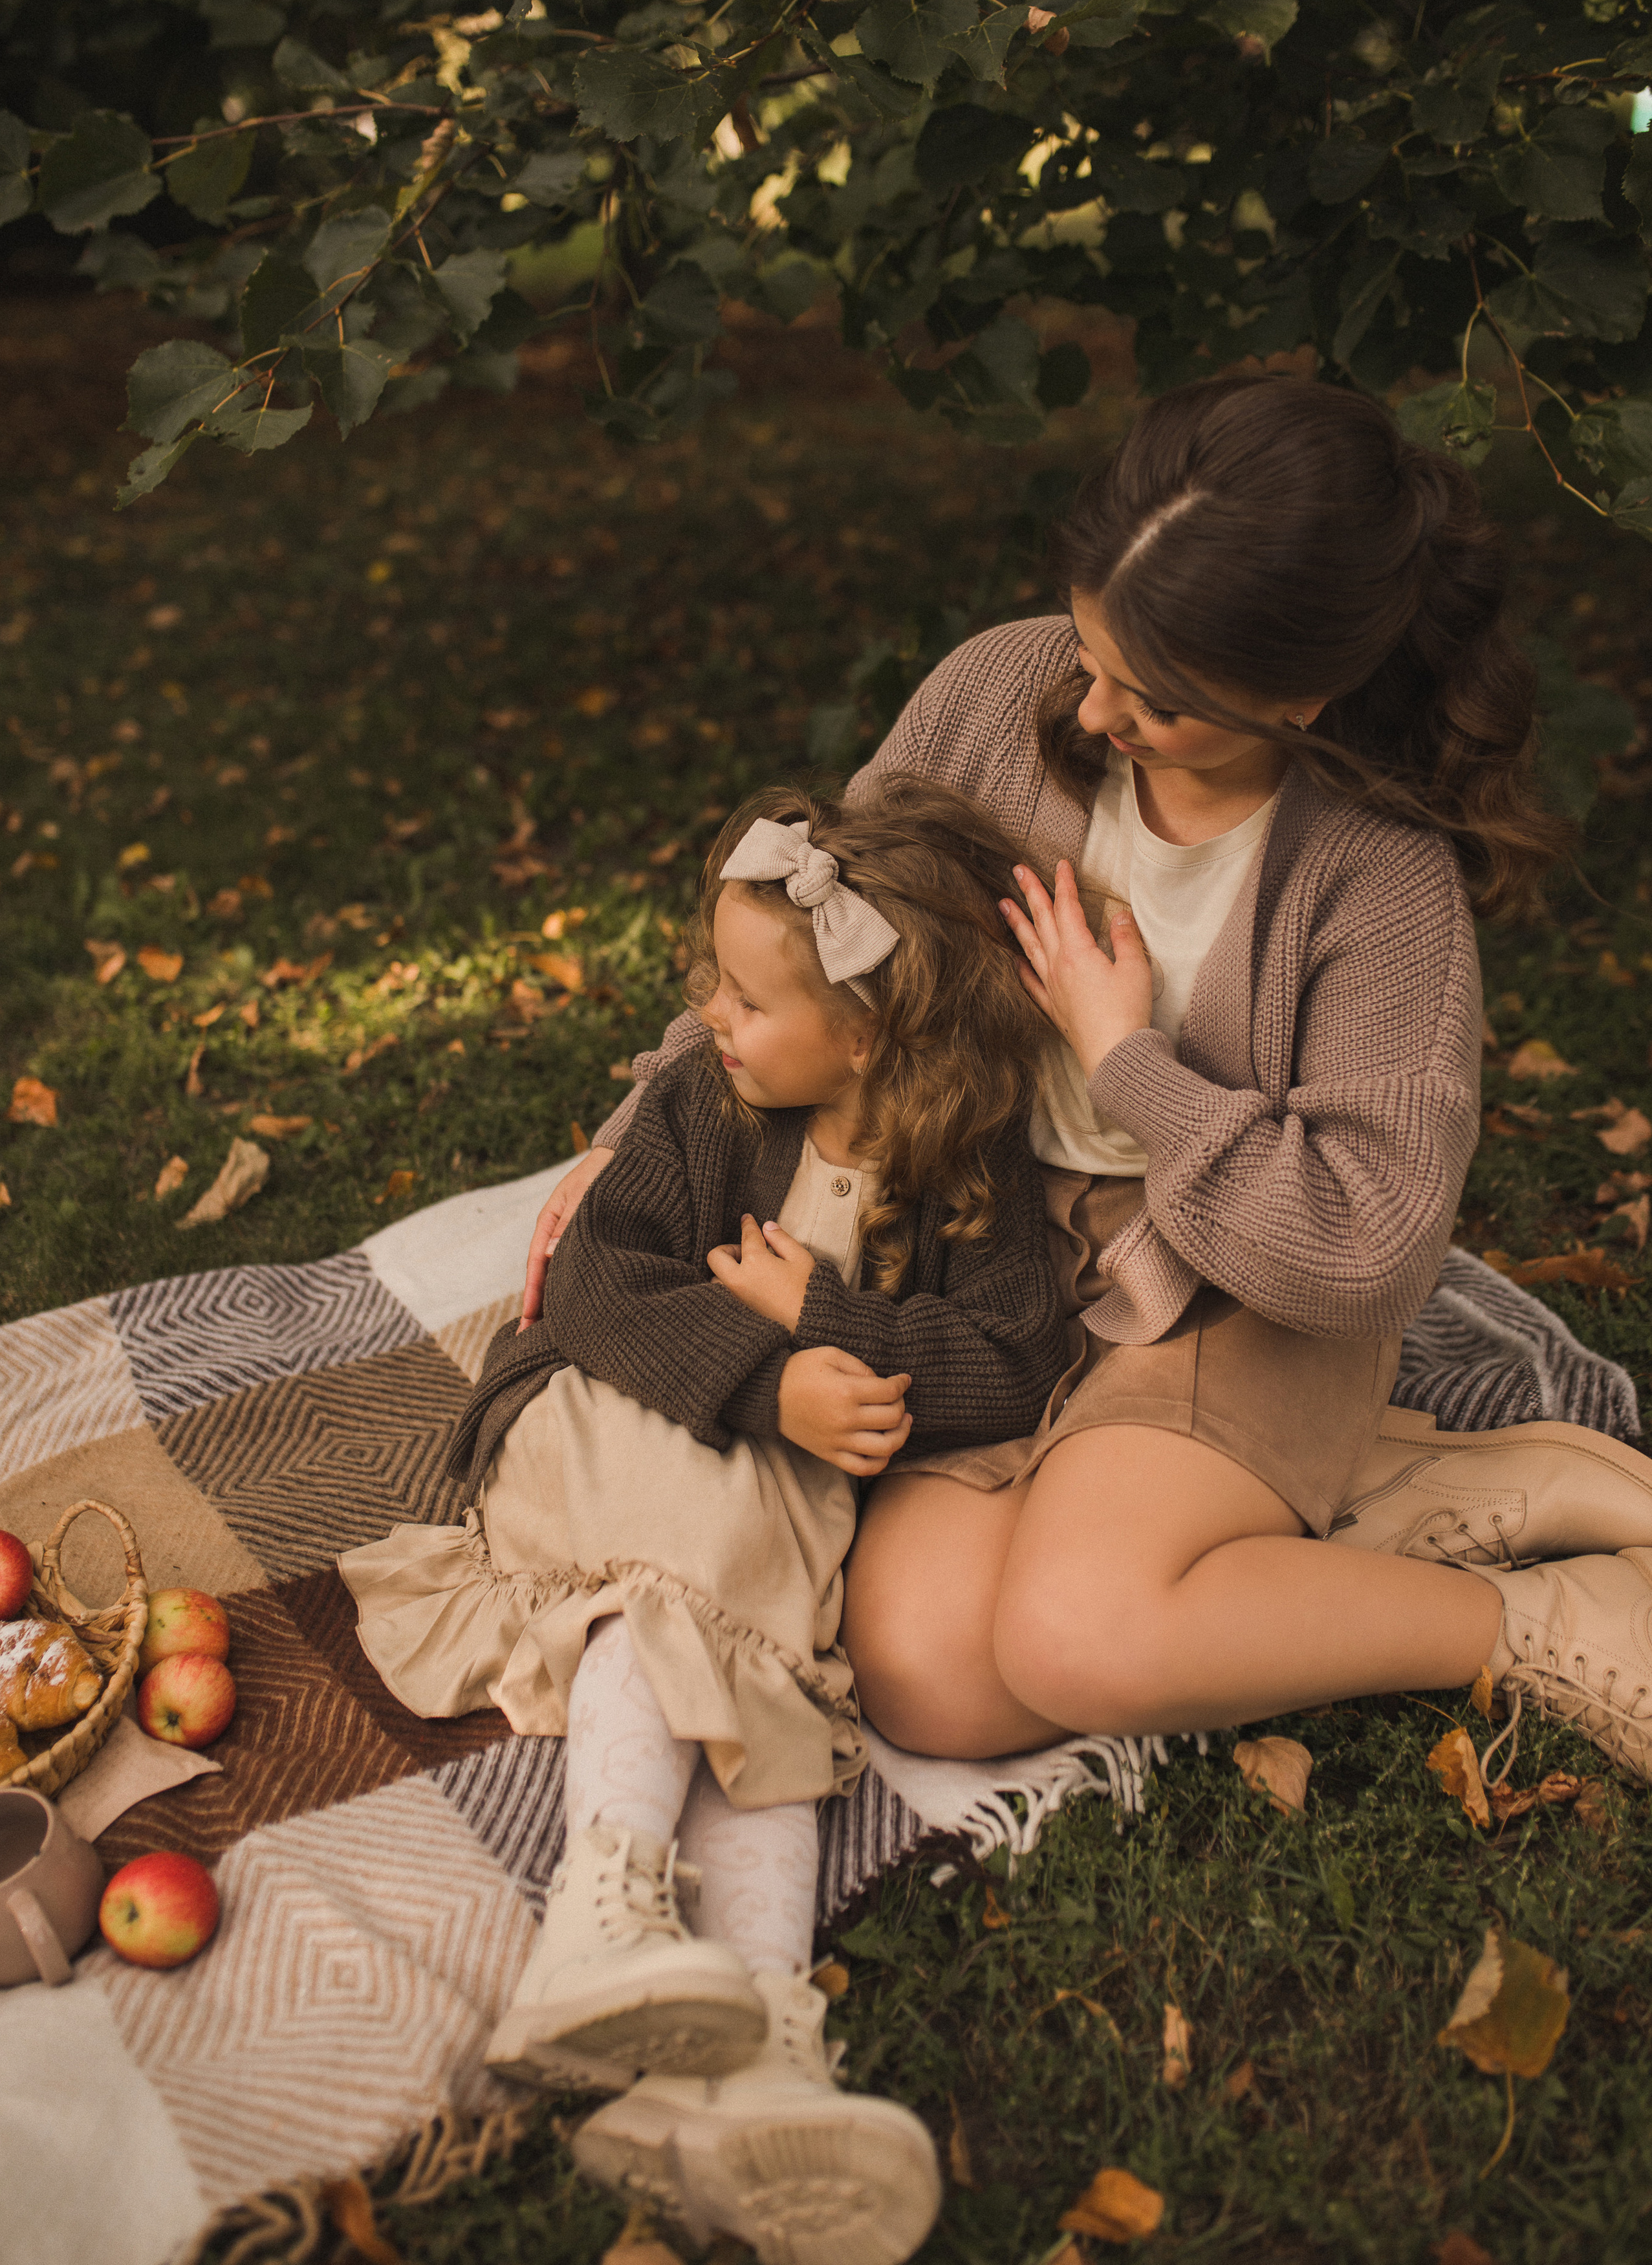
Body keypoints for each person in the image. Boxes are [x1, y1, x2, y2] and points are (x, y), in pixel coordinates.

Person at [536, 375, 1652, 1791]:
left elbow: (1363, 1249)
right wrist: (632, 1128)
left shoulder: (1375, 876)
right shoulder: (1002, 690)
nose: (1098, 708)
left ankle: (1538, 1614)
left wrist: (1130, 1062)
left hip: (1238, 1299)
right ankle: (1384, 1499)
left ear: (1301, 693)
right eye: (1091, 649)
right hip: (980, 1264)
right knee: (924, 1677)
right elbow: (824, 939)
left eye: (1162, 701)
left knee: (1076, 1641)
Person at [338, 778, 1067, 2265]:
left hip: (763, 1516)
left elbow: (1009, 1363)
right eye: (716, 988)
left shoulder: (964, 1174)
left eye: (744, 998)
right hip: (603, 1430)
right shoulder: (696, 1106)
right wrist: (765, 1378)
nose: (709, 1018)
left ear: (869, 1033)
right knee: (695, 1568)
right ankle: (598, 1911)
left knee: (763, 1652)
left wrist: (833, 1327)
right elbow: (596, 1285)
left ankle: (749, 2052)